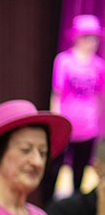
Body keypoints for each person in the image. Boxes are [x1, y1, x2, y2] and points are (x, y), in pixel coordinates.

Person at [41, 14, 105, 204]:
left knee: (80, 170)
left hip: (88, 128)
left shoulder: (99, 65)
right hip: (66, 126)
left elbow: (100, 97)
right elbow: (57, 93)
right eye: (87, 37)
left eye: (95, 38)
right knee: (54, 168)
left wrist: (99, 127)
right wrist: (55, 121)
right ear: (77, 37)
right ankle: (46, 204)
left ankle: (75, 207)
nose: (91, 42)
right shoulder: (63, 61)